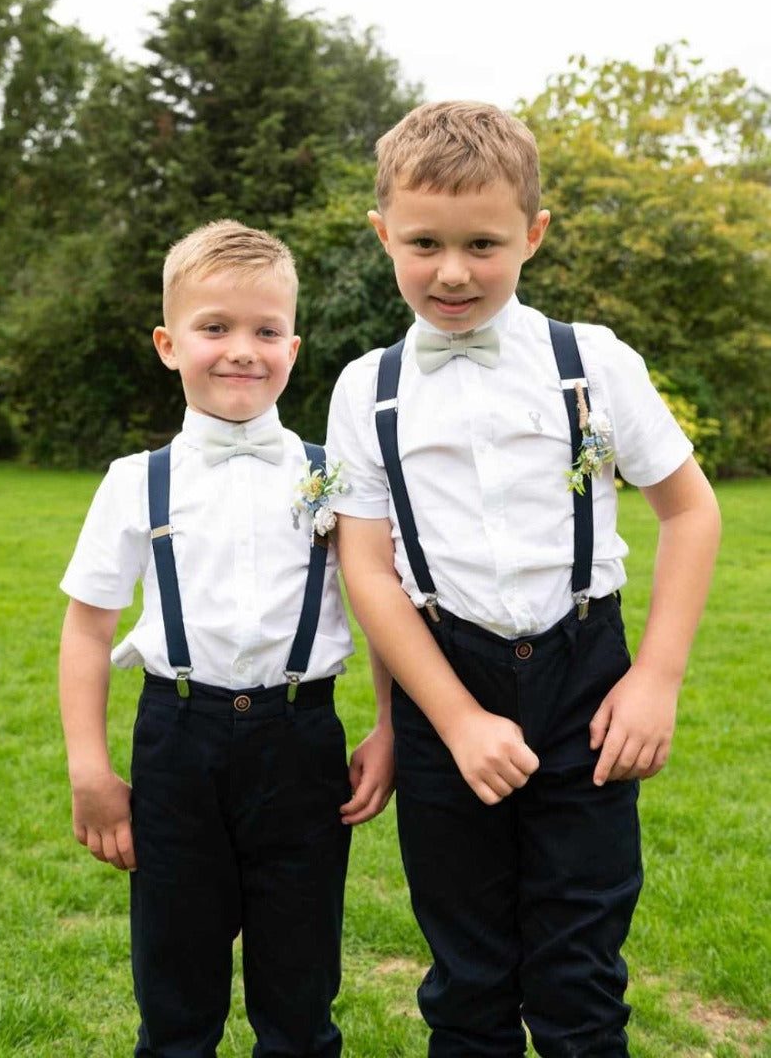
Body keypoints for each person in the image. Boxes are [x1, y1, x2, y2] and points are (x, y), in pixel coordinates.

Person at [325, 101, 721, 1057]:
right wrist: (454, 720)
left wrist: (656, 678)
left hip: (587, 682)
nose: (453, 272)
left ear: (533, 235)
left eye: (483, 244)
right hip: (443, 683)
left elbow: (691, 512)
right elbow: (368, 570)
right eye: (424, 243)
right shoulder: (365, 388)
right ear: (383, 234)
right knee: (467, 978)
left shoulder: (593, 361)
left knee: (580, 975)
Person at [59, 219, 394, 1058]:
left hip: (301, 741)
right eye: (215, 327)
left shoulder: (334, 475)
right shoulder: (134, 482)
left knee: (301, 991)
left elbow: (381, 608)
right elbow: (88, 629)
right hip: (177, 743)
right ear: (169, 344)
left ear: (293, 348)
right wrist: (90, 768)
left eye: (266, 331)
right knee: (176, 991)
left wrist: (390, 728)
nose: (242, 350)